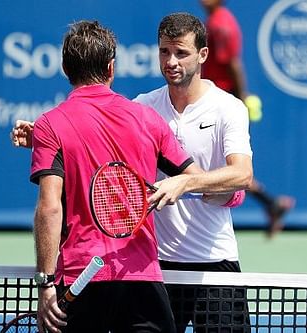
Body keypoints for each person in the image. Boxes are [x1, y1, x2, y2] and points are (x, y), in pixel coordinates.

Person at [25, 19, 252, 333]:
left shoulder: (228, 108)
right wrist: (41, 136)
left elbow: (51, 207)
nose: (171, 61)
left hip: (202, 262)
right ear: (111, 68)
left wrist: (45, 283)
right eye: (164, 52)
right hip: (149, 271)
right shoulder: (146, 112)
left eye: (180, 53)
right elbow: (101, 139)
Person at [200, 0, 295, 238]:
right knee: (218, 166)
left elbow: (233, 63)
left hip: (221, 100)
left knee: (223, 168)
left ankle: (271, 204)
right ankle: (272, 204)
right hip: (216, 97)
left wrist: (240, 99)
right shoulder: (215, 21)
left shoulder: (222, 24)